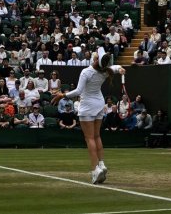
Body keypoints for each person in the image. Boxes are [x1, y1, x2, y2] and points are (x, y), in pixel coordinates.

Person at [50, 52, 124, 184]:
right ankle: (101, 164)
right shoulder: (106, 71)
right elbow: (117, 68)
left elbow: (78, 91)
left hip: (88, 106)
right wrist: (121, 69)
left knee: (89, 138)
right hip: (99, 105)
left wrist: (62, 95)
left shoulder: (86, 72)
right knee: (97, 136)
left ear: (96, 60)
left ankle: (95, 169)